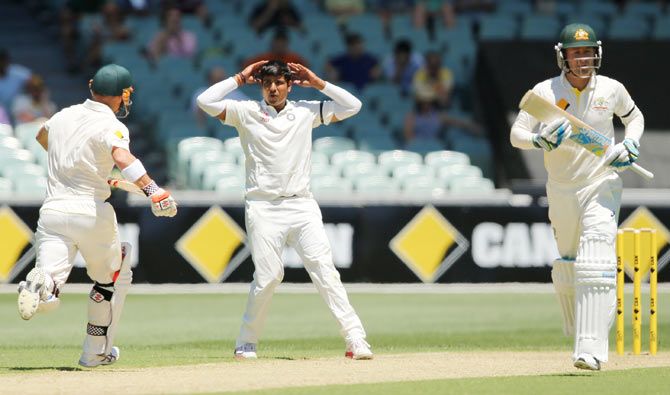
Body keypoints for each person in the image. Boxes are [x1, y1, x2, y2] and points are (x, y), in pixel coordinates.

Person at [196, 59, 373, 360]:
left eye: (279, 83)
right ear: (261, 86)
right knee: (269, 276)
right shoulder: (246, 112)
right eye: (267, 84)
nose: (273, 89)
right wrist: (240, 77)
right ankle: (246, 342)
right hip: (263, 206)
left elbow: (353, 106)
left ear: (290, 85)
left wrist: (318, 83)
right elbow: (205, 101)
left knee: (325, 271)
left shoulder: (305, 111)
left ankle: (356, 339)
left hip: (302, 204)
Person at [16, 64, 177, 367]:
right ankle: (93, 353)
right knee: (108, 281)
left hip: (52, 211)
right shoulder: (112, 126)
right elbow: (122, 157)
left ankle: (42, 285)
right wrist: (154, 190)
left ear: (91, 85)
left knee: (50, 281)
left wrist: (78, 166)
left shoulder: (62, 115)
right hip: (90, 210)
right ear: (125, 94)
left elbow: (41, 137)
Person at [510, 24, 645, 371]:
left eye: (587, 52)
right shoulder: (546, 91)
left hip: (602, 180)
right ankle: (579, 328)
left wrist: (631, 143)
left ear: (596, 53)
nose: (583, 59)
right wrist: (539, 141)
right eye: (576, 53)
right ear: (563, 57)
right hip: (562, 188)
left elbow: (634, 118)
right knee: (569, 264)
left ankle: (590, 350)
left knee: (597, 253)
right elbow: (517, 134)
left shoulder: (611, 88)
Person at [242, 29, 309, 68]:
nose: (279, 46)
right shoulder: (263, 58)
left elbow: (307, 71)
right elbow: (245, 66)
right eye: (277, 43)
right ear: (272, 43)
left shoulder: (295, 59)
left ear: (286, 43)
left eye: (282, 43)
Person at [0, 48, 31, 113]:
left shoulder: (19, 73)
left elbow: (35, 83)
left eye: (2, 60)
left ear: (7, 61)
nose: (1, 63)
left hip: (19, 112)